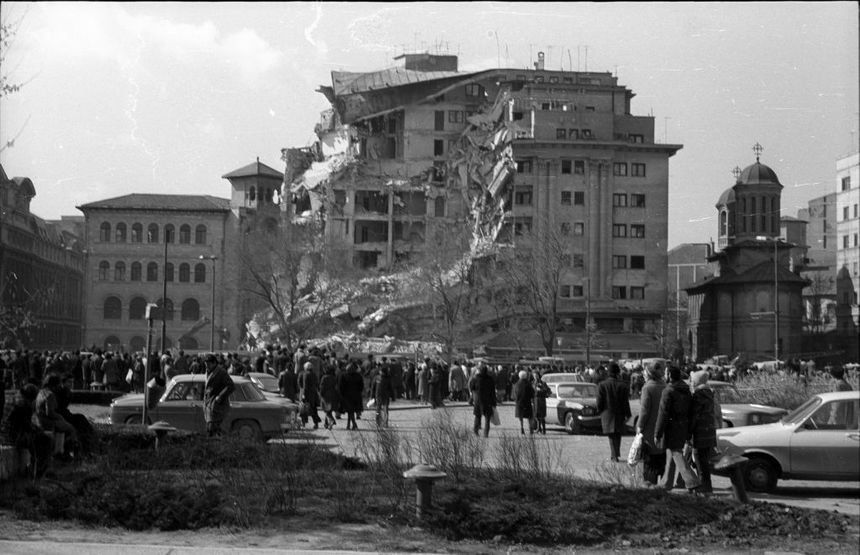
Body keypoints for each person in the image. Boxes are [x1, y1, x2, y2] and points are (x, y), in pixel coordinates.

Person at [654, 365, 702, 493]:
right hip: (683, 426)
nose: (664, 376)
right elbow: (691, 411)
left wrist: (657, 433)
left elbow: (663, 413)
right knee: (672, 453)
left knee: (676, 453)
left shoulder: (668, 391)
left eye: (665, 373)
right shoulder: (686, 390)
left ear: (669, 375)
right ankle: (666, 482)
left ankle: (692, 481)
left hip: (671, 427)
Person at [3, 384, 53, 478]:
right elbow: (26, 426)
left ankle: (35, 468)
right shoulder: (23, 404)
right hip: (13, 437)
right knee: (45, 441)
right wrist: (38, 430)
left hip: (6, 435)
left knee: (39, 438)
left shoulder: (15, 398)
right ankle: (37, 471)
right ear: (31, 397)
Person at [34, 374, 78, 461]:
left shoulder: (41, 392)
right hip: (47, 421)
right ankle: (69, 452)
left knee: (63, 427)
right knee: (71, 429)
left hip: (39, 419)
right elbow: (50, 412)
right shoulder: (50, 395)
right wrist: (60, 417)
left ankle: (59, 451)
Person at [637, 361, 667, 485]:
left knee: (650, 461)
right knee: (661, 459)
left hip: (650, 429)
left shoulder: (647, 387)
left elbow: (644, 411)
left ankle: (650, 485)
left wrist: (639, 426)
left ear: (648, 373)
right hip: (663, 430)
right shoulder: (665, 386)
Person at [689, 370, 720, 494]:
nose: (691, 382)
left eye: (692, 380)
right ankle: (707, 486)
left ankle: (704, 487)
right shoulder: (709, 394)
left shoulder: (698, 395)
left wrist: (689, 431)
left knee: (699, 461)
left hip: (700, 433)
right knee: (704, 461)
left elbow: (694, 416)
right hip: (709, 432)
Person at [596, 362, 631, 462]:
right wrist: (628, 414)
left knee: (611, 435)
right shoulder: (623, 385)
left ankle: (614, 455)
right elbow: (626, 402)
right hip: (620, 413)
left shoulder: (602, 385)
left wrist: (600, 411)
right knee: (617, 434)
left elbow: (599, 400)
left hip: (607, 413)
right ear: (618, 373)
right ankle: (615, 454)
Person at [203, 354, 234, 437]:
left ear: (214, 363)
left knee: (212, 430)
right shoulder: (208, 371)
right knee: (211, 430)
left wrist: (220, 396)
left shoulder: (221, 372)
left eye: (208, 365)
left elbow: (231, 386)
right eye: (206, 365)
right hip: (209, 405)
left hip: (217, 406)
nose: (207, 367)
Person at [470, 364, 497, 437]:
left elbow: (472, 387)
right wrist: (494, 401)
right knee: (487, 418)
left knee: (477, 416)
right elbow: (493, 391)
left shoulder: (475, 378)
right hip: (488, 400)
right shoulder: (490, 379)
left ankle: (476, 431)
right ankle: (486, 433)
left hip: (478, 400)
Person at [338, 360, 364, 431]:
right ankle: (351, 424)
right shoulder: (358, 376)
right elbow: (361, 386)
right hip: (356, 396)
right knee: (351, 411)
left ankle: (352, 424)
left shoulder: (343, 375)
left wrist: (341, 395)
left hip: (347, 396)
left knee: (350, 411)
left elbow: (341, 386)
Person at [297, 361, 322, 429]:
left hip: (307, 395)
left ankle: (304, 423)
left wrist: (303, 395)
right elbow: (317, 384)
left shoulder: (305, 374)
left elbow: (305, 386)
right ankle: (316, 424)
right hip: (313, 395)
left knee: (304, 409)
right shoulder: (314, 374)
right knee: (314, 410)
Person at [513, 370, 535, 435]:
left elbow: (514, 394)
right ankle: (531, 428)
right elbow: (532, 393)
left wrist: (516, 400)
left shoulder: (516, 384)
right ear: (526, 376)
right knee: (529, 416)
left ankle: (521, 428)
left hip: (519, 403)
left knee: (521, 416)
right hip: (527, 402)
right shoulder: (528, 384)